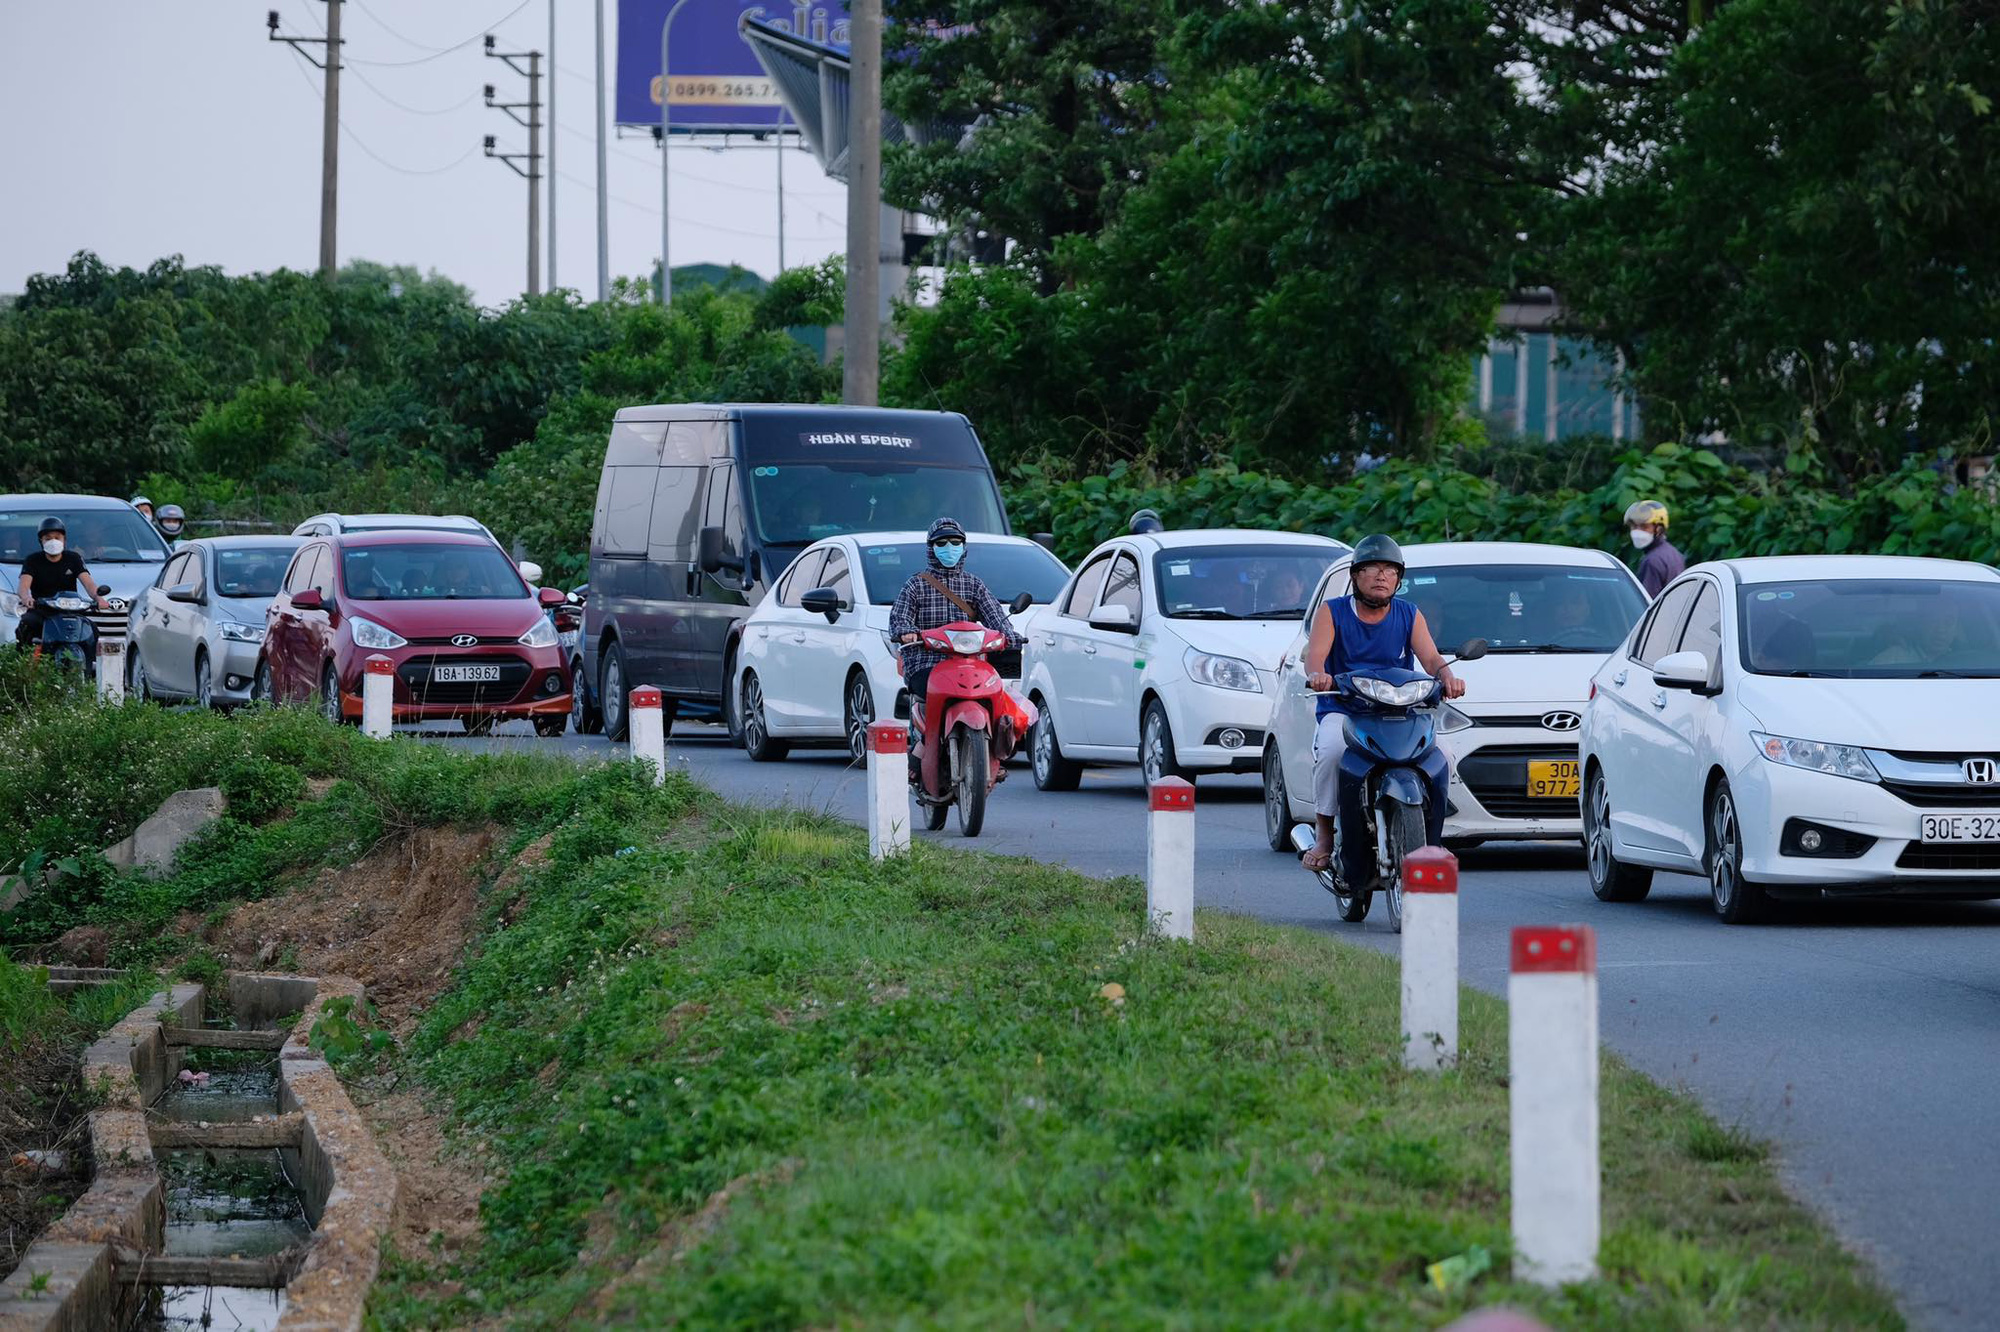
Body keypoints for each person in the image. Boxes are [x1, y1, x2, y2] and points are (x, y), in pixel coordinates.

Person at [1299, 534, 1466, 882]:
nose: (1381, 576)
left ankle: (1431, 832)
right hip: (1344, 708)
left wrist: (1448, 677)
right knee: (1330, 752)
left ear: (1398, 579)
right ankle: (1325, 834)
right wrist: (1318, 675)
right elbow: (1315, 656)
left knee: (1444, 754)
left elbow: (1431, 658)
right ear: (1355, 576)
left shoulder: (1408, 613)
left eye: (1390, 570)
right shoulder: (1333, 612)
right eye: (1372, 568)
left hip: (1397, 710)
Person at [887, 518, 1025, 778]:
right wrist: (906, 632)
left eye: (955, 542)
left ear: (964, 547)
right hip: (926, 663)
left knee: (995, 691)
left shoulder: (974, 585)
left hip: (970, 664)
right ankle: (921, 749)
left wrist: (1009, 635)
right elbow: (899, 619)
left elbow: (996, 617)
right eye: (941, 543)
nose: (949, 548)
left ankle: (994, 752)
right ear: (931, 548)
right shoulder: (915, 585)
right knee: (929, 693)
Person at [14, 517, 111, 652]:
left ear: (64, 540)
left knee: (92, 629)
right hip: (42, 611)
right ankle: (28, 661)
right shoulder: (32, 560)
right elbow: (23, 586)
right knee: (27, 624)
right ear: (41, 541)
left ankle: (90, 663)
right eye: (48, 538)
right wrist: (26, 598)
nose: (53, 541)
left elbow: (89, 584)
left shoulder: (73, 558)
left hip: (71, 611)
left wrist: (98, 598)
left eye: (57, 537)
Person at [1625, 499, 1684, 598]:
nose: (1637, 532)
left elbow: (1647, 601)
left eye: (1644, 526)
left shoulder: (1652, 561)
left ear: (1659, 529)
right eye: (1634, 526)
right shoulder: (1674, 553)